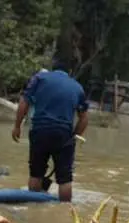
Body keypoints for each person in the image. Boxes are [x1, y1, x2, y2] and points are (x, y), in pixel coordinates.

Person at [12, 60, 88, 202]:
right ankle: (65, 211)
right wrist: (74, 136)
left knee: (36, 173)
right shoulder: (77, 87)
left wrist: (17, 126)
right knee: (65, 178)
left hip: (39, 131)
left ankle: (32, 207)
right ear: (70, 71)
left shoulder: (39, 78)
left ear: (53, 68)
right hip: (63, 133)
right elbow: (84, 119)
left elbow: (24, 102)